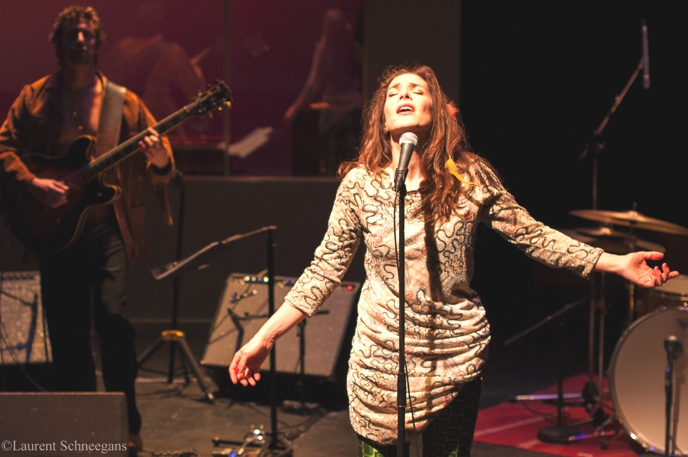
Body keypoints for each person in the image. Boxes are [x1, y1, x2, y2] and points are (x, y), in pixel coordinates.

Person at [228, 64, 677, 456]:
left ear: (438, 112)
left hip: (454, 354)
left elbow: (534, 237)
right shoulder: (359, 186)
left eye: (417, 90)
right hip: (379, 361)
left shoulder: (471, 178)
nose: (404, 95)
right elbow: (324, 269)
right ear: (382, 120)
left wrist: (614, 263)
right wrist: (265, 337)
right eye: (393, 93)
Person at [0, 6, 175, 454]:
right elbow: (4, 146)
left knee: (114, 321)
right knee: (66, 331)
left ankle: (126, 424)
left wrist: (159, 161)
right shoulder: (34, 96)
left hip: (105, 228)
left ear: (98, 42)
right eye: (72, 34)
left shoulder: (124, 101)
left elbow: (161, 160)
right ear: (57, 44)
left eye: (87, 33)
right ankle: (76, 429)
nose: (80, 40)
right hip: (56, 231)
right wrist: (34, 184)